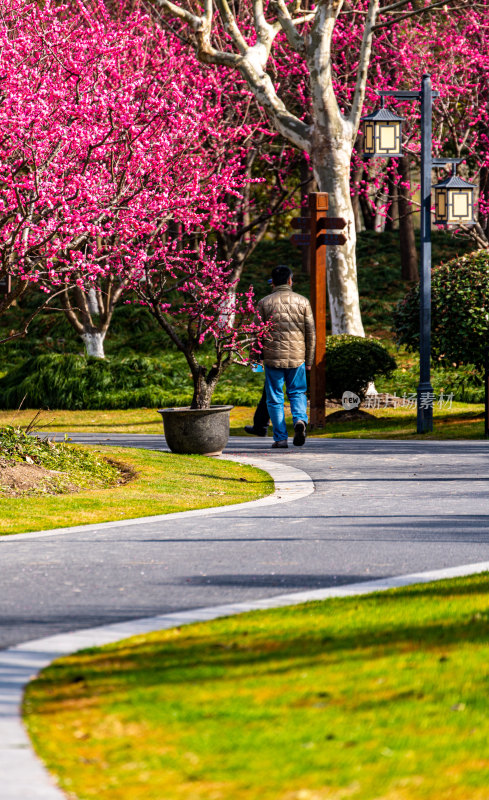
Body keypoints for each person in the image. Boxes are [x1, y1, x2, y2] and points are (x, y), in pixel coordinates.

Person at [256, 265, 316, 448]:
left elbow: (256, 333)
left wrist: (255, 356)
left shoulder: (264, 303)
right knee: (297, 392)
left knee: (274, 397)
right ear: (290, 280)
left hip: (272, 357)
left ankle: (280, 438)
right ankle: (299, 420)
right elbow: (310, 333)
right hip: (297, 357)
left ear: (272, 282)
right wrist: (310, 359)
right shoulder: (303, 302)